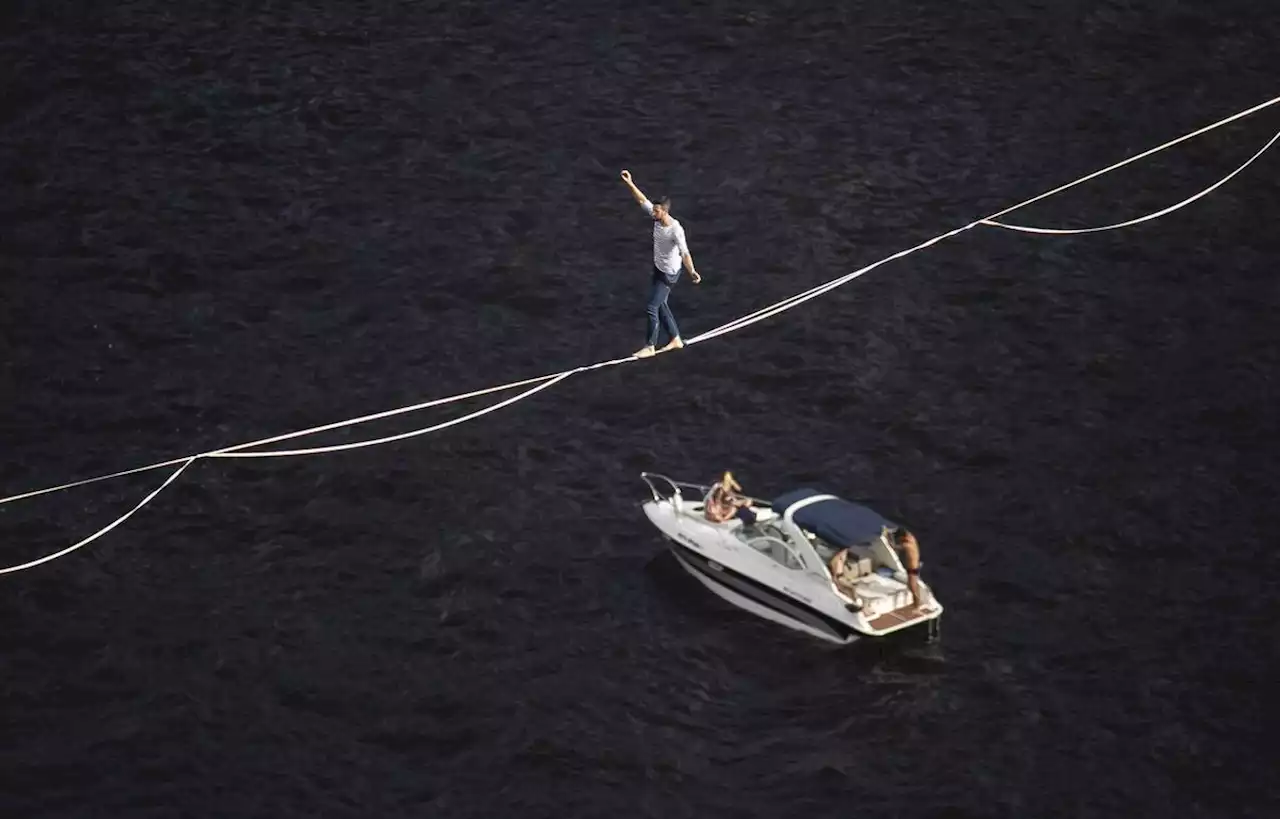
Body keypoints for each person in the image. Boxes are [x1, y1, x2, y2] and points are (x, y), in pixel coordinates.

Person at [619, 169, 702, 358]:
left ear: (664, 212)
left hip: (669, 274)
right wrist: (630, 183)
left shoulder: (675, 229)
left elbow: (685, 253)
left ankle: (650, 346)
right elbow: (641, 200)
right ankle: (675, 339)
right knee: (661, 303)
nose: (653, 213)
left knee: (652, 306)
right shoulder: (656, 217)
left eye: (656, 211)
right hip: (658, 269)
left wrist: (692, 272)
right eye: (654, 210)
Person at [890, 527, 925, 610]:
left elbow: (895, 547)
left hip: (912, 569)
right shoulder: (912, 539)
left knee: (912, 587)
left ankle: (917, 606)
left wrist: (888, 540)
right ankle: (917, 603)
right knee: (914, 585)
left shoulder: (907, 545)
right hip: (916, 566)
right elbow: (907, 534)